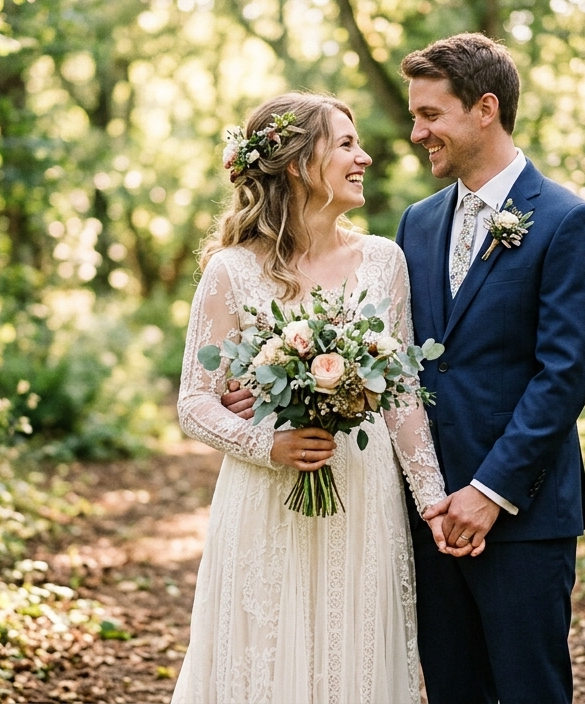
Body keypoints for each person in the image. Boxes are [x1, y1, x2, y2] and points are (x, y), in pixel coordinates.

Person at [172, 92, 454, 704]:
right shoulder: (231, 271)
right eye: (346, 144)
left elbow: (402, 390)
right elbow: (195, 400)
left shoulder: (385, 261)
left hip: (362, 487)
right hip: (266, 494)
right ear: (299, 165)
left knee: (355, 654)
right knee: (268, 654)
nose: (366, 157)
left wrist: (432, 500)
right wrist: (267, 443)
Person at [396, 33, 585, 703]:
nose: (415, 132)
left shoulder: (570, 222)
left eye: (430, 115)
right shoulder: (416, 223)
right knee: (453, 690)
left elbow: (563, 376)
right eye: (414, 116)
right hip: (429, 513)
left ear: (485, 108)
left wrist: (489, 492)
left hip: (523, 512)